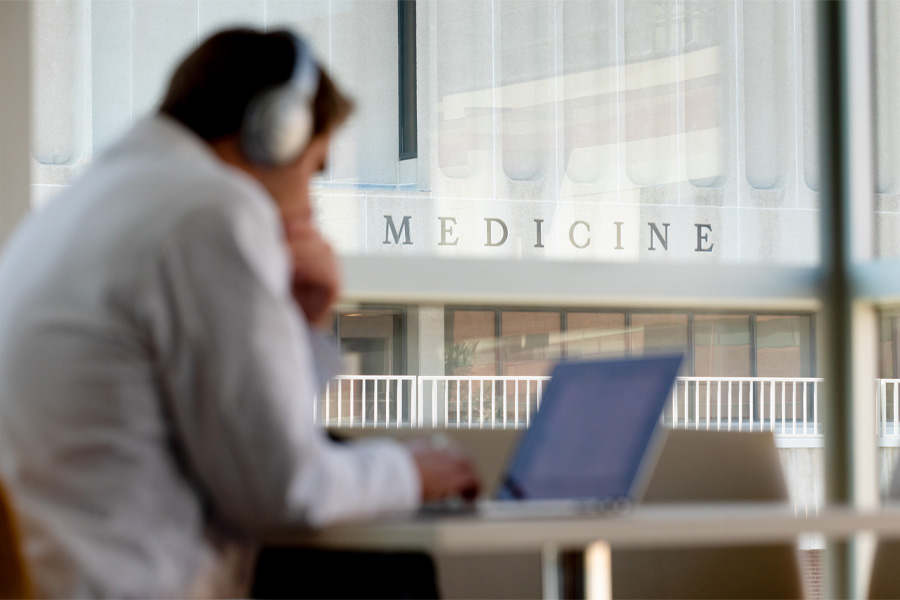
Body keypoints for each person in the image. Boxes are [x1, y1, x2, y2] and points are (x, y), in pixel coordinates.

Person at [0, 28, 479, 598]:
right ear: (276, 133)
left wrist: (298, 318)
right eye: (315, 167)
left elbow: (253, 431)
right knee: (393, 571)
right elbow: (283, 490)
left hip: (61, 577)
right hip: (135, 585)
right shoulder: (211, 212)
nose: (309, 203)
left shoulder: (86, 206)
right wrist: (413, 471)